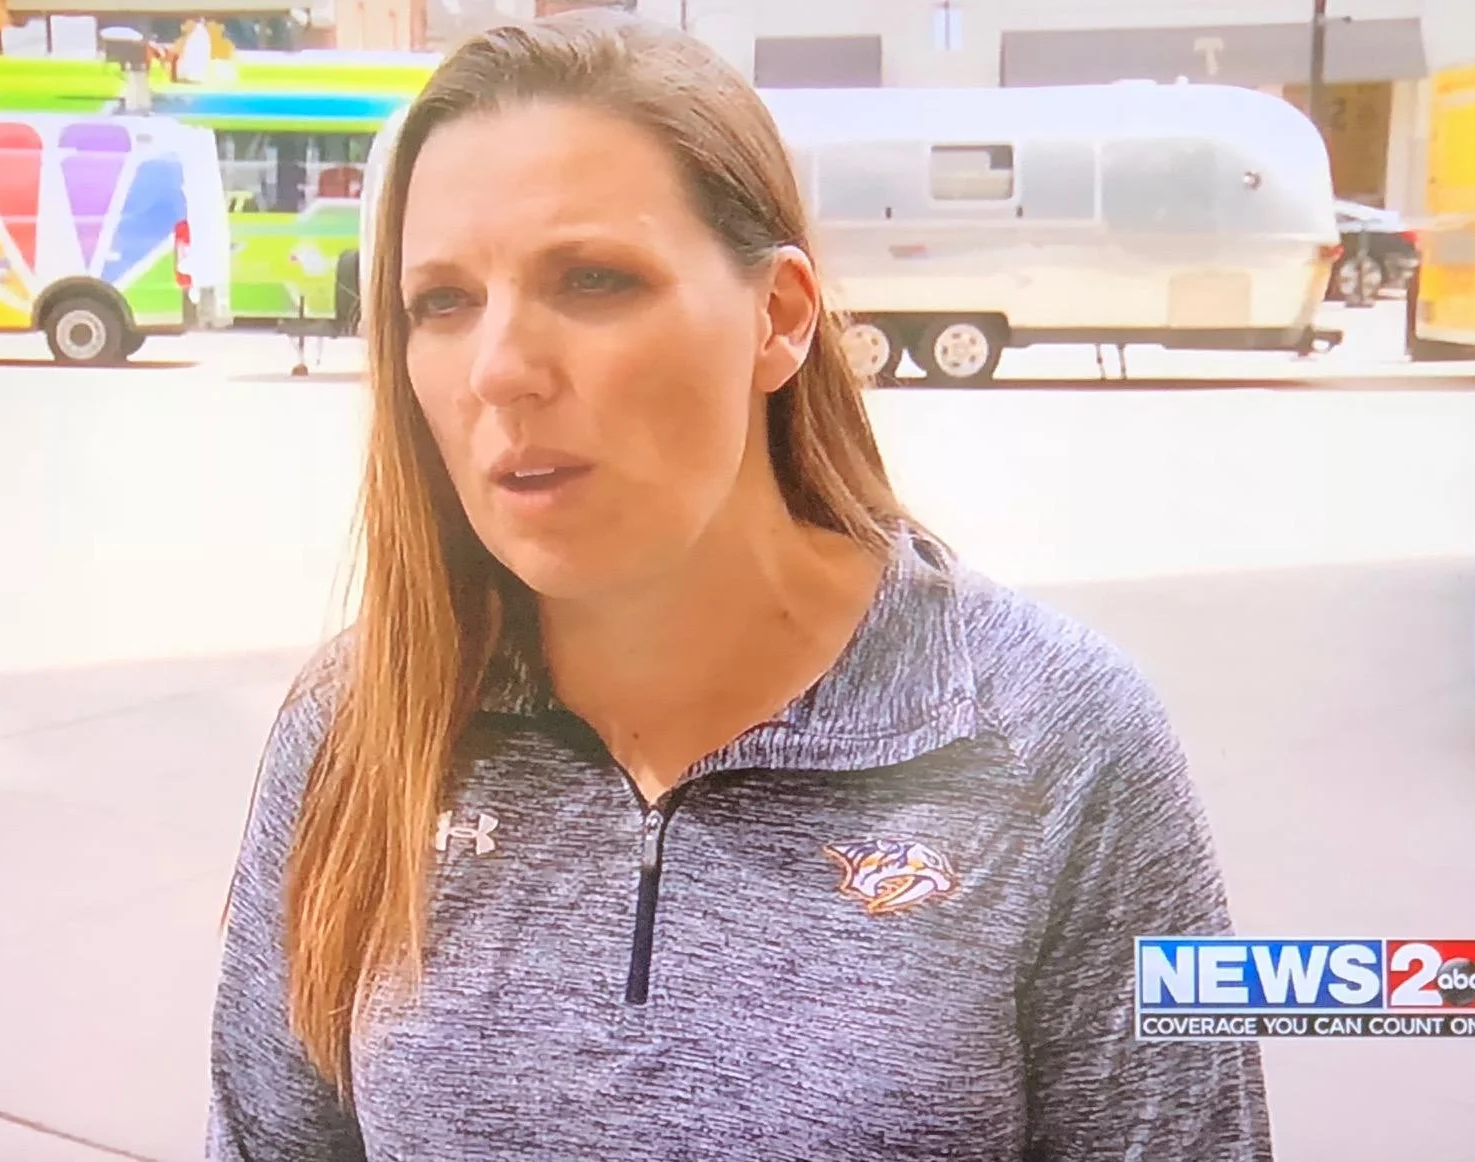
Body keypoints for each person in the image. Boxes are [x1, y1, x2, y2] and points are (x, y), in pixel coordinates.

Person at [207, 12, 1272, 1161]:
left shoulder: (1058, 739)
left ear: (779, 316)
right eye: (442, 303)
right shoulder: (360, 721)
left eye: (592, 280)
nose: (499, 369)